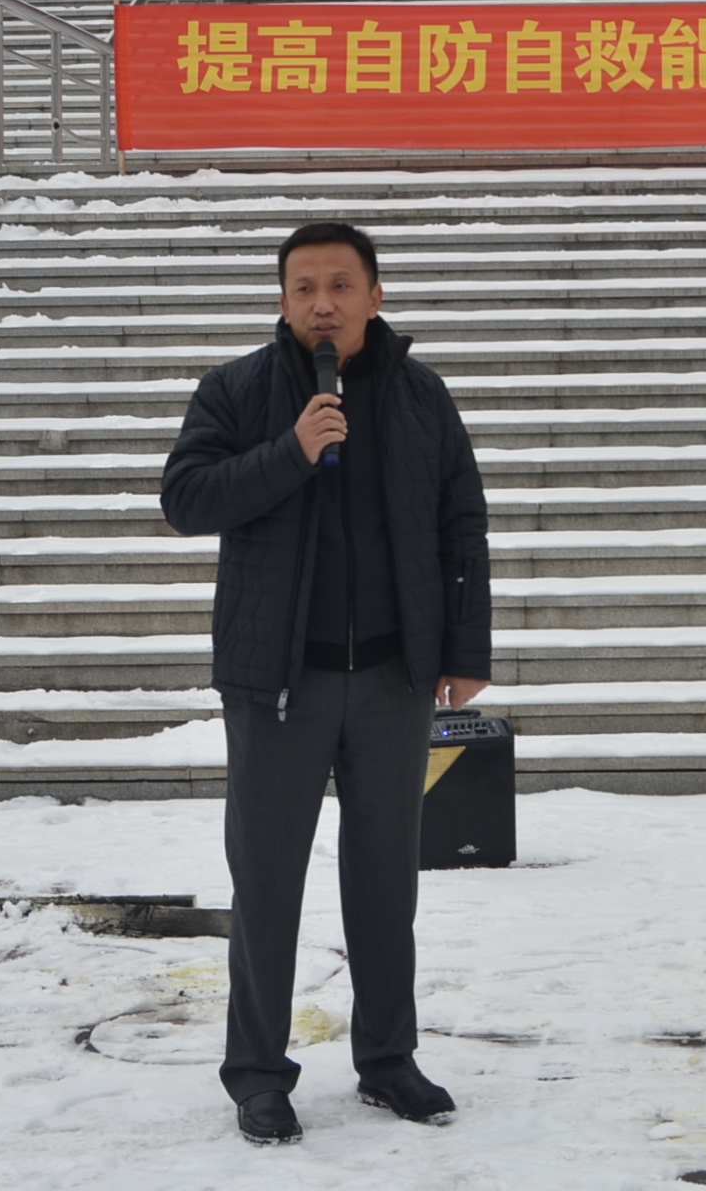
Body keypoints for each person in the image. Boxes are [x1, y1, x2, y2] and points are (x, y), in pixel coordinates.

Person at [161, 220, 492, 1144]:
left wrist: (465, 650)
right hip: (280, 682)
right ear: (282, 300)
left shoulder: (422, 397)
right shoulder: (237, 391)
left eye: (341, 286)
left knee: (386, 883)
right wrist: (292, 451)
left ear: (375, 297)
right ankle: (259, 1075)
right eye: (304, 287)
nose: (322, 304)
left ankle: (388, 1059)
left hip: (393, 677)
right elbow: (185, 498)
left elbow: (462, 523)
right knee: (267, 885)